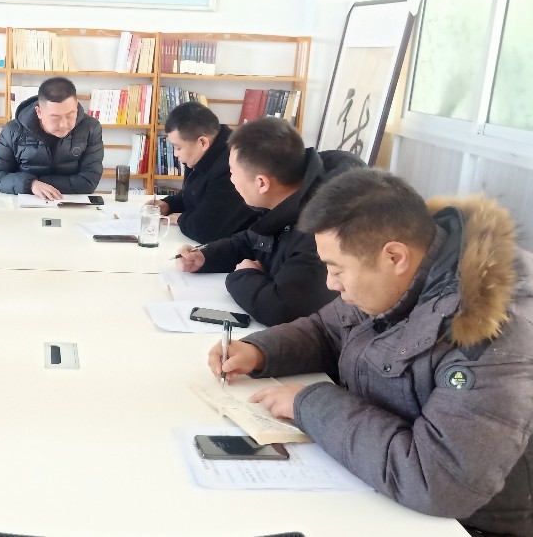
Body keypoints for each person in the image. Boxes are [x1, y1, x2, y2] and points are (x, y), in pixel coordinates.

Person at [209, 169, 533, 537]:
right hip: (377, 487)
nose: (330, 283)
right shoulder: (395, 279)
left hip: (461, 525)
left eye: (337, 270)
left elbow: (438, 480)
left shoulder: (493, 332)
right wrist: (259, 350)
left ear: (394, 256)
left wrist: (309, 404)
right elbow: (326, 329)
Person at [177, 117, 364, 326]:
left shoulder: (322, 229)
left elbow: (283, 309)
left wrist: (243, 276)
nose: (231, 180)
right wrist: (205, 256)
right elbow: (253, 239)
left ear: (262, 183)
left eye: (233, 172)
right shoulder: (291, 197)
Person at [145, 101, 258, 244]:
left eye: (178, 148)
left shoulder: (231, 166)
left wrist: (181, 219)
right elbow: (195, 196)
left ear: (203, 143)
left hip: (243, 249)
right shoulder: (206, 153)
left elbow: (207, 230)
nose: (175, 154)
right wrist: (169, 204)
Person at [0, 76, 104, 198]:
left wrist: (42, 184)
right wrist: (31, 185)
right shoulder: (13, 130)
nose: (64, 124)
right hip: (26, 201)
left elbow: (89, 180)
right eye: (55, 118)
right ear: (39, 112)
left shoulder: (91, 128)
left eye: (70, 115)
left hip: (71, 203)